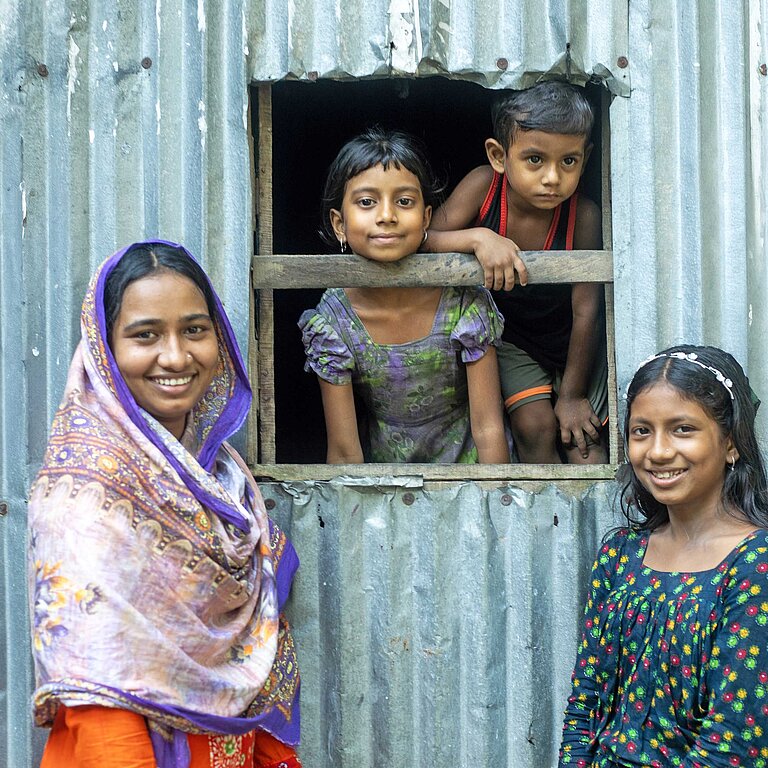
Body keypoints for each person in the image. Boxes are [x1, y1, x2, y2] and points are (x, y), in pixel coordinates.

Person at [28, 241, 301, 768]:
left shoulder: (223, 479)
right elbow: (100, 697)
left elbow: (257, 670)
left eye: (195, 330)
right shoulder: (86, 497)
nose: (176, 356)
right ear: (104, 351)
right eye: (145, 335)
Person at [559, 344, 768, 767]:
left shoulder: (755, 564)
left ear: (731, 443)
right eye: (642, 431)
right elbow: (585, 705)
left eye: (682, 429)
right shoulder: (620, 555)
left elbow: (734, 746)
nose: (657, 452)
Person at [299, 127, 510, 464]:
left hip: (469, 471)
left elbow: (488, 430)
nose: (387, 216)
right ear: (339, 224)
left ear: (426, 217)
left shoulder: (463, 303)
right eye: (367, 202)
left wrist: (494, 508)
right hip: (383, 483)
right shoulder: (334, 320)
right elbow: (343, 449)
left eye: (404, 201)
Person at [426, 80, 608, 464]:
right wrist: (478, 237)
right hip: (512, 339)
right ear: (498, 155)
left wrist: (573, 395)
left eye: (568, 161)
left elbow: (587, 309)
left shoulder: (584, 216)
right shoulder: (484, 188)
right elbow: (425, 239)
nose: (552, 178)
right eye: (535, 160)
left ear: (585, 158)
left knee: (584, 443)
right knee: (535, 427)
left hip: (573, 342)